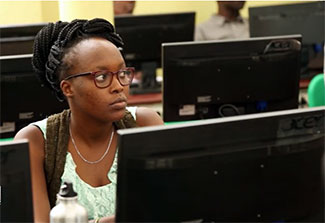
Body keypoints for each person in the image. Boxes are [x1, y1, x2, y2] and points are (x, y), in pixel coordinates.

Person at [14, 18, 164, 223]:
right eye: (102, 77)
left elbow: (169, 209)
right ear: (68, 88)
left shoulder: (144, 124)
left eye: (122, 73)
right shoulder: (35, 141)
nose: (118, 86)